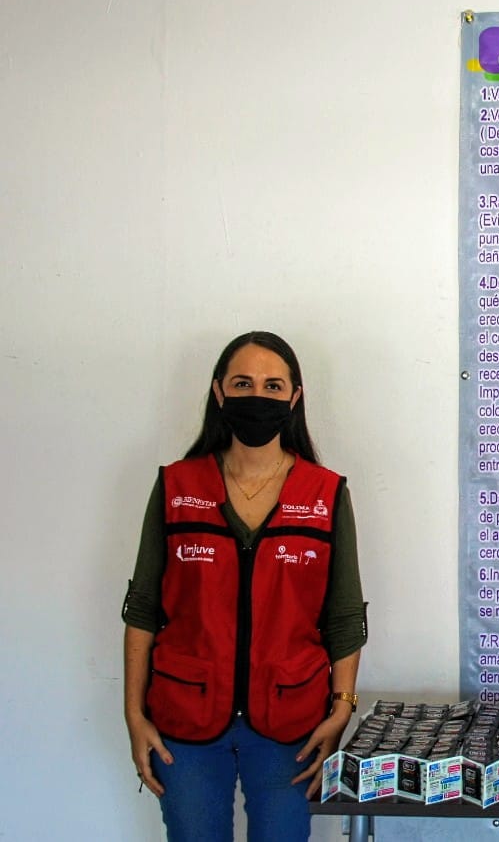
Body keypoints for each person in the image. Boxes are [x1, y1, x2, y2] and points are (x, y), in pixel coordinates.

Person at [122, 331, 367, 841]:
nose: (258, 395)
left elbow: (343, 616)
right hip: (184, 721)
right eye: (242, 383)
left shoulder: (325, 494)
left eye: (273, 385)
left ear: (294, 397)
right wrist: (133, 715)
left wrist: (341, 708)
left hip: (291, 723)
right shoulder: (176, 487)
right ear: (219, 392)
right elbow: (143, 607)